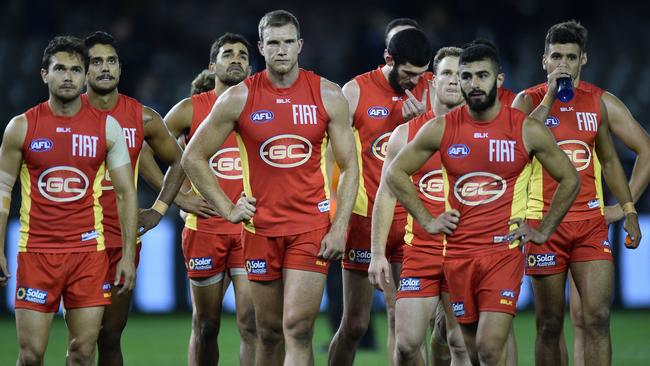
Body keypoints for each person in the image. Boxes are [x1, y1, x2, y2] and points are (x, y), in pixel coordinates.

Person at [386, 40, 582, 365]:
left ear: (499, 80)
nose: (473, 84)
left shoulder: (525, 129)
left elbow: (570, 178)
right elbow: (395, 173)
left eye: (481, 76)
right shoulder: (442, 128)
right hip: (459, 255)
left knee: (490, 348)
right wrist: (427, 219)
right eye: (466, 77)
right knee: (472, 351)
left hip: (502, 254)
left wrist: (544, 229)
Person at [182, 10, 358, 366]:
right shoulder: (238, 98)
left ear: (300, 46)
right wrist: (227, 207)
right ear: (261, 47)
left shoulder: (327, 94)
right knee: (269, 332)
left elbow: (352, 165)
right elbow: (192, 157)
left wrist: (340, 227)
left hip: (310, 227)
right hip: (259, 230)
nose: (282, 50)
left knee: (297, 328)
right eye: (274, 43)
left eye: (288, 42)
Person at [512, 20, 644, 366]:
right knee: (549, 325)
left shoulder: (599, 103)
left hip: (590, 224)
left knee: (597, 319)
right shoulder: (527, 101)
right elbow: (513, 148)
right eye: (556, 56)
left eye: (571, 57)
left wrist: (627, 207)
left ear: (583, 60)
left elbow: (615, 160)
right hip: (544, 225)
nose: (563, 65)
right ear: (544, 61)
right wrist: (552, 96)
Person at [0, 36, 137, 366]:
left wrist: (128, 255)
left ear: (85, 75)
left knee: (82, 353)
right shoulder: (21, 127)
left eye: (76, 69)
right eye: (60, 69)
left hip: (89, 255)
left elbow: (125, 193)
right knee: (31, 356)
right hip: (36, 253)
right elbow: (3, 191)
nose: (68, 76)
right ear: (45, 74)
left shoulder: (107, 128)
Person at [81, 31, 194, 366]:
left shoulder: (141, 117)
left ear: (120, 67)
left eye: (111, 61)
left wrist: (161, 208)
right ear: (83, 69)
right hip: (74, 239)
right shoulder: (63, 114)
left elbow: (181, 160)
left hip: (121, 238)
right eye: (96, 61)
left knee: (110, 336)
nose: (105, 68)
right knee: (81, 342)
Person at [149, 32, 257, 366]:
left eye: (242, 54)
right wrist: (178, 199)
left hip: (250, 229)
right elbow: (143, 148)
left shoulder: (260, 106)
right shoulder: (190, 110)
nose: (236, 59)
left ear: (251, 67)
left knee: (251, 323)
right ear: (213, 65)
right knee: (206, 324)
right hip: (205, 229)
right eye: (228, 54)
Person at [328, 27, 432, 366]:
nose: (416, 81)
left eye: (421, 73)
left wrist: (421, 126)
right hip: (363, 218)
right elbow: (333, 157)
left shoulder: (432, 89)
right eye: (408, 74)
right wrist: (333, 213)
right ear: (388, 59)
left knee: (407, 322)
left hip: (411, 219)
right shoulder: (355, 91)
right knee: (355, 324)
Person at [368, 46, 470, 366]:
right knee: (407, 345)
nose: (454, 81)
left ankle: (443, 335)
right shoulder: (405, 134)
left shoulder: (484, 132)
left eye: (461, 75)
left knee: (459, 342)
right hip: (421, 252)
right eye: (447, 74)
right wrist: (377, 253)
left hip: (464, 252)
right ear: (432, 81)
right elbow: (386, 194)